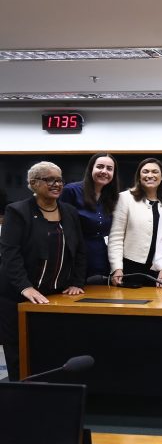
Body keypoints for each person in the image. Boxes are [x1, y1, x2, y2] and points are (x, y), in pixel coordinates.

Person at [0, 162, 86, 380]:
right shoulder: (17, 211)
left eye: (59, 180)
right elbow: (10, 254)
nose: (56, 184)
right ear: (33, 183)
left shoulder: (69, 212)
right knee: (19, 351)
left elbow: (79, 251)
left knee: (50, 348)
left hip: (54, 296)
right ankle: (20, 395)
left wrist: (76, 282)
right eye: (50, 179)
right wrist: (25, 287)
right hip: (17, 297)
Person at [108, 158, 162, 287]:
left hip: (160, 270)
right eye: (145, 172)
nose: (150, 175)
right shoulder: (125, 198)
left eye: (155, 172)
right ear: (139, 176)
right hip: (130, 268)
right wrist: (116, 268)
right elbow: (116, 237)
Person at [60, 152, 120, 280]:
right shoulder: (71, 191)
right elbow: (61, 227)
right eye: (100, 166)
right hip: (75, 256)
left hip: (101, 255)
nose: (104, 171)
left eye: (109, 169)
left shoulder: (112, 197)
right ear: (91, 168)